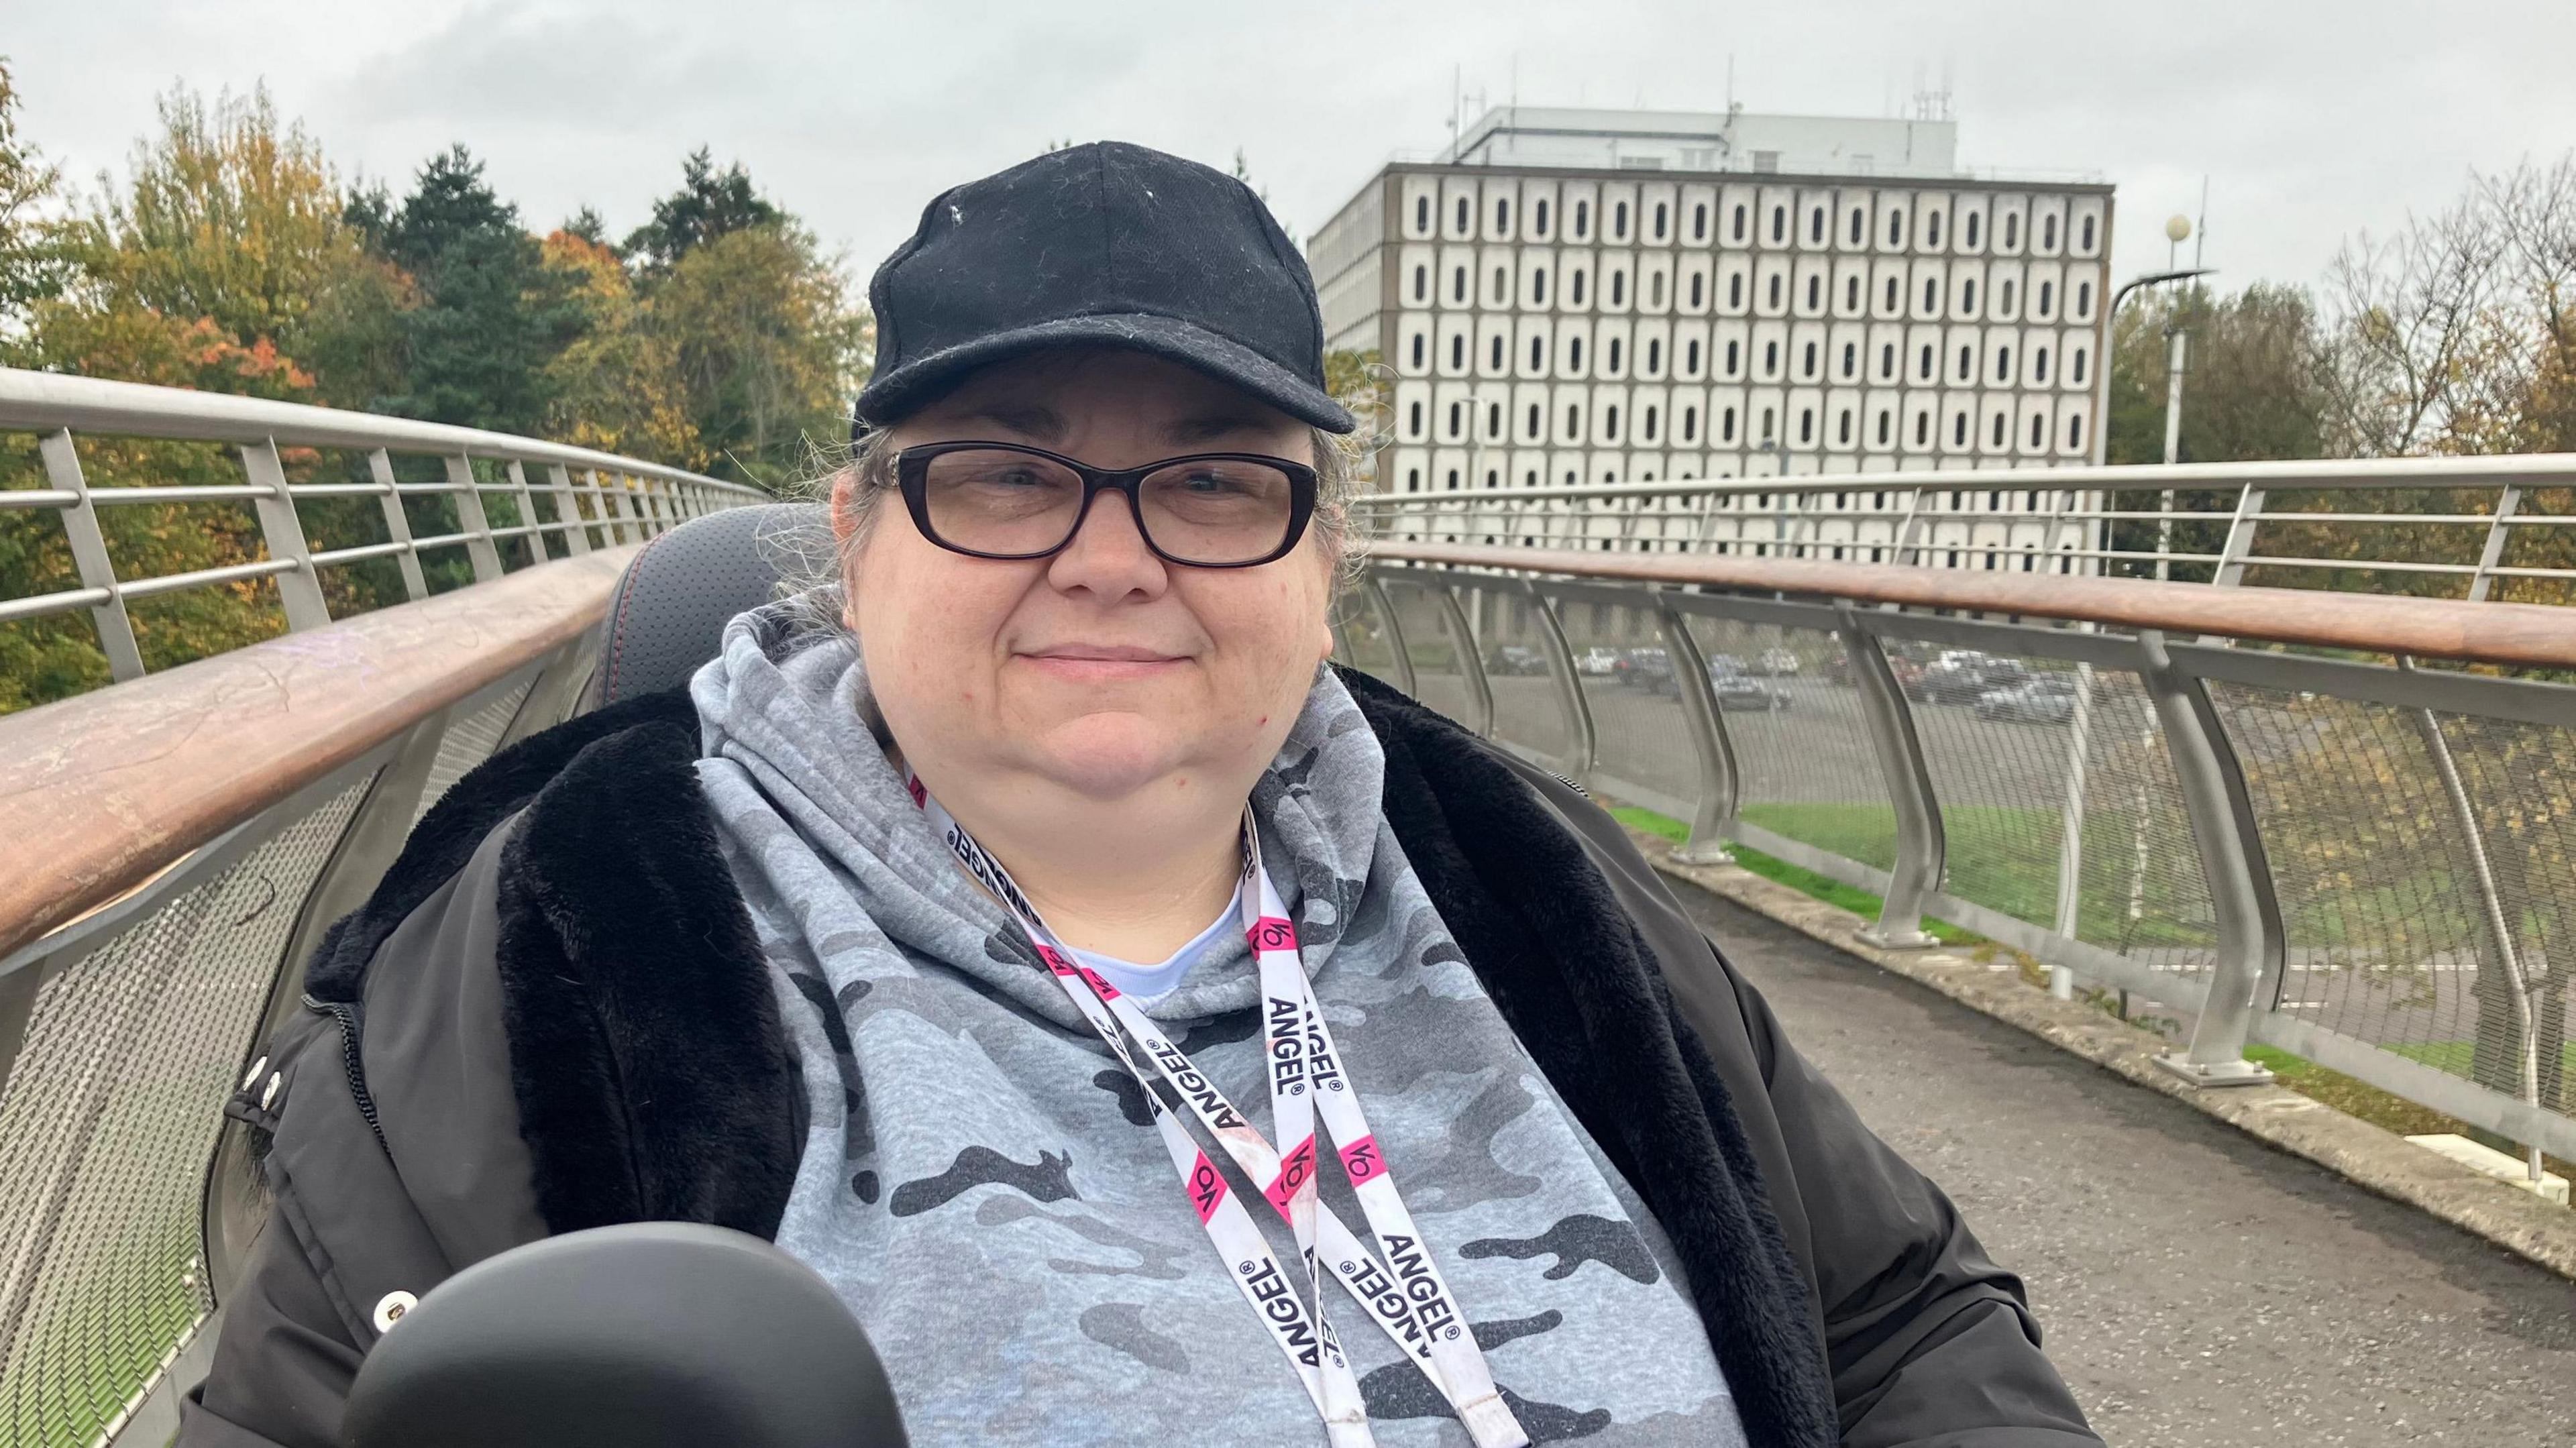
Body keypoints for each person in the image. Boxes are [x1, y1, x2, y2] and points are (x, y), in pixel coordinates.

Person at [179, 142, 2100, 1447]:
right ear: (856, 540)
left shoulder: (1521, 875)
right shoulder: (574, 938)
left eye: (1211, 479)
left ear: (1320, 557)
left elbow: (1909, 1318)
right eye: (1007, 472)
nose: (1113, 556)